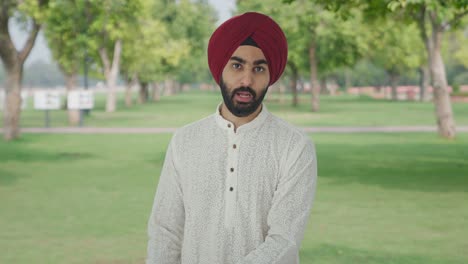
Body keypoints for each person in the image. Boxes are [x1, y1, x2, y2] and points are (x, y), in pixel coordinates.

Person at [146, 11, 317, 264]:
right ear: (220, 69)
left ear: (271, 75)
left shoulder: (294, 146)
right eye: (237, 66)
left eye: (258, 68)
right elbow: (166, 232)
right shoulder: (185, 141)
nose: (247, 80)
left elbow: (284, 239)